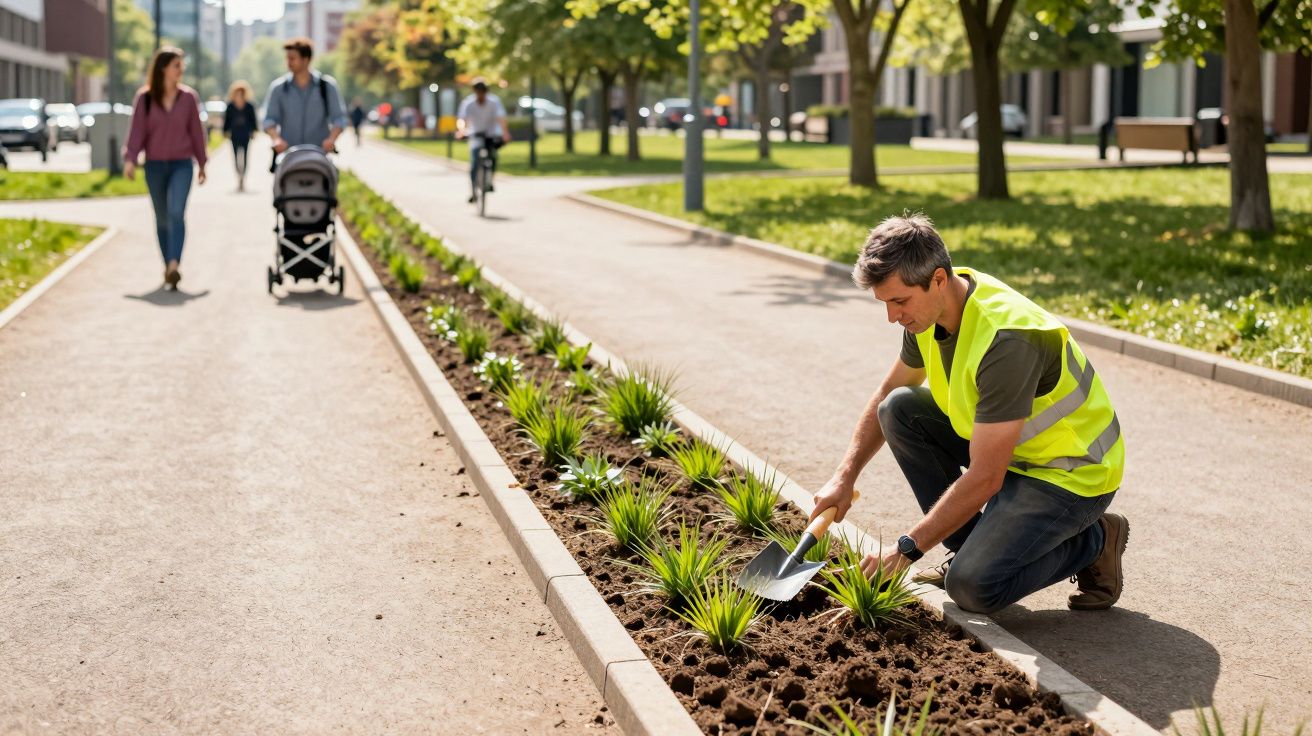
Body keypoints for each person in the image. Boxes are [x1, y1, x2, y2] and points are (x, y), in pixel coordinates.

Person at [809, 214, 1129, 615]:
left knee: (973, 587)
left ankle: (1094, 540)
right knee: (899, 409)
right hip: (1011, 453)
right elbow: (889, 391)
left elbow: (986, 477)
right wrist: (845, 476)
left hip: (1070, 472)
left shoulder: (1007, 340)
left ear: (938, 279)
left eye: (899, 301)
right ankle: (974, 547)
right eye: (885, 303)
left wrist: (907, 549)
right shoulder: (929, 311)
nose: (892, 317)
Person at [122, 46, 208, 290]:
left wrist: (201, 162)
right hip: (155, 166)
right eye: (176, 66)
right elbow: (137, 131)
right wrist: (130, 159)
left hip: (182, 164)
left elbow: (196, 133)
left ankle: (174, 264)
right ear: (163, 68)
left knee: (176, 212)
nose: (181, 70)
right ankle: (167, 265)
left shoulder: (189, 97)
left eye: (182, 66)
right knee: (161, 217)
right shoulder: (145, 98)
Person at [262, 36, 346, 165]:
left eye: (292, 58)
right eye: (287, 58)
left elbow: (339, 118)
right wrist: (276, 139)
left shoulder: (327, 86)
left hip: (319, 158)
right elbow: (269, 119)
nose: (288, 62)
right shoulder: (278, 88)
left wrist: (331, 139)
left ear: (306, 59)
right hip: (288, 158)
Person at [456, 78, 511, 203]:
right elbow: (462, 120)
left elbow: (501, 118)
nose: (481, 94)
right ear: (475, 92)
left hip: (491, 133)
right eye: (478, 91)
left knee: (493, 156)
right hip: (475, 134)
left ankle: (490, 180)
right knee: (475, 162)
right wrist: (461, 131)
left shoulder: (494, 102)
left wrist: (505, 133)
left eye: (483, 91)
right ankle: (474, 191)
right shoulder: (468, 103)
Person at [223, 80, 258, 192]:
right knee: (236, 157)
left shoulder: (249, 106)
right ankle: (238, 176)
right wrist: (225, 131)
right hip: (234, 134)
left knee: (245, 156)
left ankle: (243, 178)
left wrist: (253, 131)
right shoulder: (230, 106)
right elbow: (226, 120)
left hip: (245, 134)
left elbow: (253, 120)